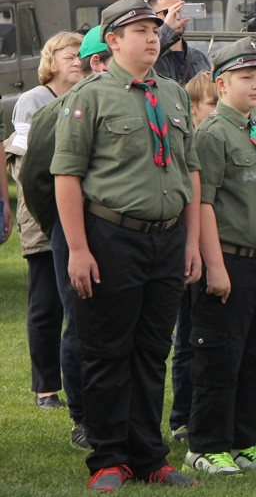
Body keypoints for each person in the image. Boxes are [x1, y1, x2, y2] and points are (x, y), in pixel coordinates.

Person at [51, 0, 201, 491]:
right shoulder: (89, 97)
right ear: (113, 41)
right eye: (140, 31)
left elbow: (191, 172)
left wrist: (192, 244)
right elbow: (65, 176)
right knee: (106, 350)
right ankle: (110, 458)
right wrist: (77, 248)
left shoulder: (174, 94)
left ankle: (149, 455)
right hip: (110, 237)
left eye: (155, 30)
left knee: (152, 350)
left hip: (166, 238)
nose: (152, 38)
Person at [185, 38, 256, 476]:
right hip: (229, 260)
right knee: (218, 357)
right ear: (222, 82)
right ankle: (207, 444)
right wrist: (214, 265)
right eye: (246, 77)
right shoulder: (213, 134)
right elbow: (202, 202)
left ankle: (247, 440)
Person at [18, 25, 111, 451]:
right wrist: (61, 228)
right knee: (76, 320)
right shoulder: (53, 111)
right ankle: (82, 416)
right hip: (73, 229)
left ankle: (119, 411)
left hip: (120, 233)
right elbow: (37, 178)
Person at [5, 30, 83, 412]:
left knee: (77, 303)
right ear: (51, 60)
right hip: (41, 214)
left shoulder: (87, 95)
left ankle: (79, 381)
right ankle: (46, 388)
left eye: (82, 54)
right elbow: (24, 163)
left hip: (79, 217)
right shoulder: (31, 100)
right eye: (69, 55)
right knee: (46, 303)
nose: (77, 61)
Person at [168, 70, 219, 443]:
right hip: (189, 253)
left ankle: (210, 412)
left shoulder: (216, 141)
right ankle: (181, 417)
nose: (216, 111)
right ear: (193, 108)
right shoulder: (190, 142)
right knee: (187, 340)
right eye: (212, 104)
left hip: (216, 254)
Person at [148, 0, 211, 85]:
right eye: (168, 12)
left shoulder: (199, 57)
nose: (177, 17)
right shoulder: (150, 56)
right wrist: (167, 29)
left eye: (180, 11)